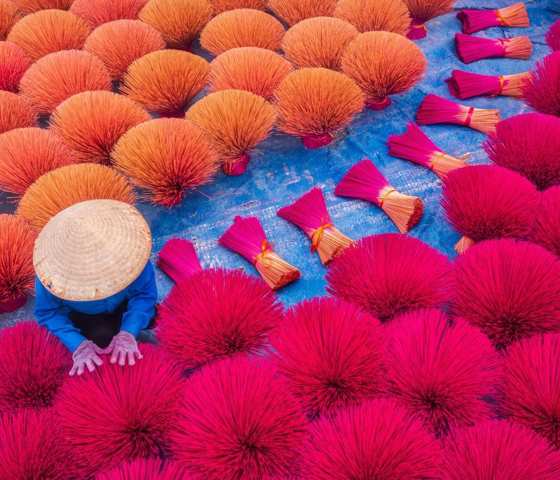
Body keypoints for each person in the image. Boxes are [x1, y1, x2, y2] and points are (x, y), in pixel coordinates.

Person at [33, 199, 157, 376]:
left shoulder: (134, 257)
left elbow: (144, 295)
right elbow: (48, 313)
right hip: (85, 315)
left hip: (125, 303)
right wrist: (77, 344)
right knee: (101, 337)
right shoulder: (50, 273)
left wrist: (129, 331)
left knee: (152, 316)